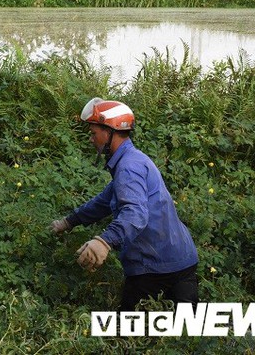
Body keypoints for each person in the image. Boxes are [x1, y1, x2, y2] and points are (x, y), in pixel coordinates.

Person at [49, 98, 199, 311]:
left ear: (109, 132)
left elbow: (135, 214)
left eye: (93, 133)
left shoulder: (128, 167)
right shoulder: (133, 160)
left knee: (126, 334)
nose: (91, 139)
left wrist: (104, 242)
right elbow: (103, 202)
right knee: (187, 333)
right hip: (183, 258)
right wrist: (69, 221)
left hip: (154, 267)